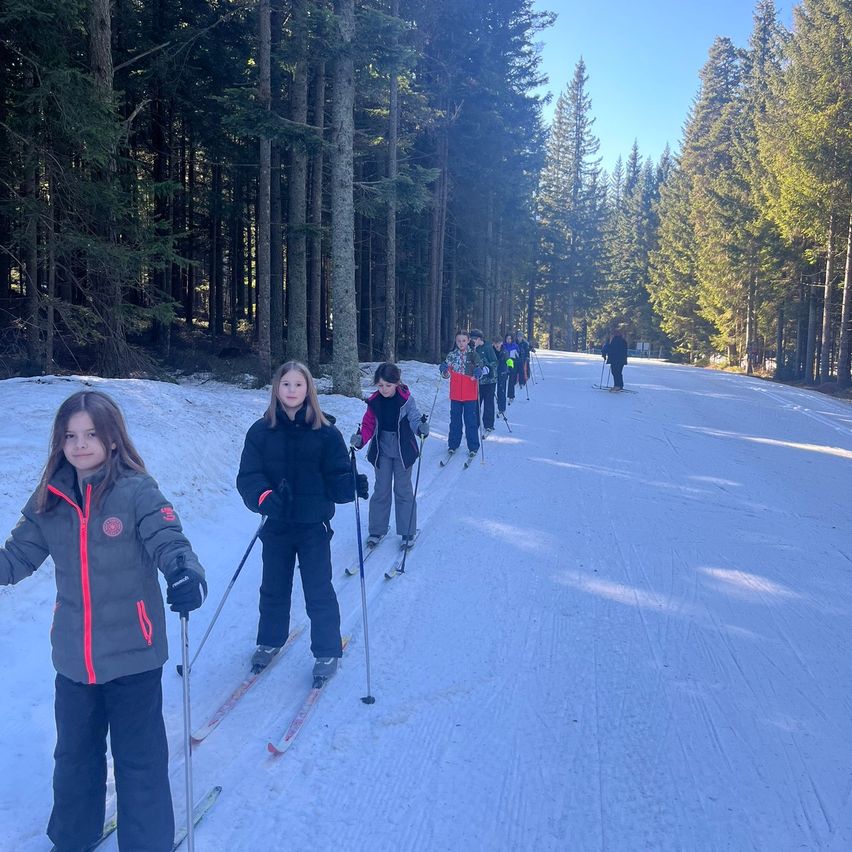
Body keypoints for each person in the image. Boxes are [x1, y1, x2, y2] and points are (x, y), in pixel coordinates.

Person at [0, 390, 207, 852]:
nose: (80, 444)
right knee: (74, 757)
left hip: (134, 654)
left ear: (113, 439)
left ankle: (148, 842)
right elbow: (13, 560)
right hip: (74, 659)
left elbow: (170, 539)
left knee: (139, 760)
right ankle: (72, 838)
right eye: (70, 436)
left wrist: (184, 572)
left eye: (91, 434)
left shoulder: (136, 491)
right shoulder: (48, 501)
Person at [236, 361, 365, 680]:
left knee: (318, 588)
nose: (292, 390)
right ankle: (269, 641)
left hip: (313, 525)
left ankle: (327, 649)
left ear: (308, 389)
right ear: (276, 389)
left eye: (298, 384)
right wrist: (264, 497)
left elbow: (336, 477)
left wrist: (351, 485)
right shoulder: (260, 431)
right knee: (273, 587)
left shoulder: (326, 433)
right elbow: (249, 477)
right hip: (277, 523)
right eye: (286, 384)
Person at [350, 363, 428, 549]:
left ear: (396, 383)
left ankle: (407, 531)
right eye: (380, 385)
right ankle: (377, 529)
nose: (384, 389)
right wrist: (360, 440)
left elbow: (414, 418)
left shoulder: (406, 400)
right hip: (382, 448)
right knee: (381, 489)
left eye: (388, 385)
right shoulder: (374, 401)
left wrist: (420, 428)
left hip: (403, 449)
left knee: (403, 490)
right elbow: (368, 425)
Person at [439, 330, 485, 459]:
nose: (461, 343)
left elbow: (481, 367)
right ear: (456, 341)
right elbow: (446, 374)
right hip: (455, 395)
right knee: (455, 421)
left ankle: (473, 446)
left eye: (463, 340)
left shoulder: (473, 355)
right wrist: (444, 371)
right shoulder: (452, 355)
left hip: (470, 394)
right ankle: (453, 444)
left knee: (470, 421)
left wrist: (478, 371)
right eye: (458, 340)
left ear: (468, 340)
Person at [471, 329, 497, 433]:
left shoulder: (488, 347)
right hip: (478, 381)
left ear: (479, 339)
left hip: (490, 380)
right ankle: (475, 423)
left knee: (489, 403)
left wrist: (488, 368)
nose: (472, 341)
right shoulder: (472, 349)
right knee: (476, 402)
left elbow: (495, 362)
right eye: (471, 338)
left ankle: (489, 424)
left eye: (474, 339)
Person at [492, 333, 509, 417]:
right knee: (492, 392)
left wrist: (510, 368)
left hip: (502, 373)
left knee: (501, 391)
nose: (497, 345)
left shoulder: (505, 351)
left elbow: (509, 361)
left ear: (501, 343)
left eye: (498, 343)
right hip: (493, 374)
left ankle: (501, 409)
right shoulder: (491, 351)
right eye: (495, 343)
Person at [502, 333, 521, 404]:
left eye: (510, 339)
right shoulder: (503, 346)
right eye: (507, 339)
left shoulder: (515, 346)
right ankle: (502, 395)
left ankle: (511, 396)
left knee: (511, 381)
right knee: (503, 380)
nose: (508, 340)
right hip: (505, 365)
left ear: (512, 339)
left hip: (513, 365)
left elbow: (518, 355)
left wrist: (517, 355)